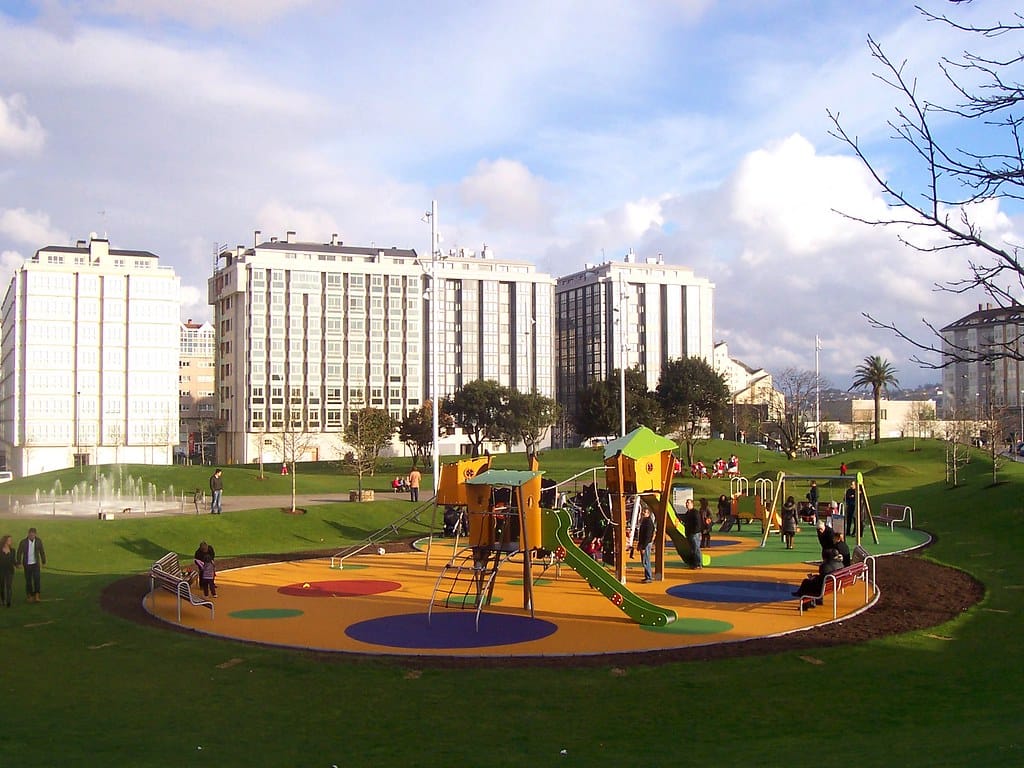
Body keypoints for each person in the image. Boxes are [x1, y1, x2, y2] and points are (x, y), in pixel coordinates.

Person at [16, 527, 46, 603]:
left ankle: (37, 595)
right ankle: (30, 595)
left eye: (33, 535)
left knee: (37, 579)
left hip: (35, 564)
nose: (32, 536)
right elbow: (19, 553)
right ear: (28, 534)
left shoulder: (38, 541)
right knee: (28, 581)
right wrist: (19, 563)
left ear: (35, 534)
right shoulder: (23, 542)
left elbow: (42, 551)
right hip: (27, 564)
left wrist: (43, 561)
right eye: (31, 534)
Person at [637, 506, 655, 583]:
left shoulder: (648, 523)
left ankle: (649, 577)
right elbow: (641, 534)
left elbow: (647, 536)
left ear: (648, 513)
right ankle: (647, 576)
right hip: (644, 543)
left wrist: (643, 546)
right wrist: (639, 544)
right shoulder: (644, 521)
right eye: (643, 512)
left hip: (646, 543)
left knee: (646, 560)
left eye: (644, 512)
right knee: (644, 560)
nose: (643, 513)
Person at [683, 498, 703, 569]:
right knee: (692, 549)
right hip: (689, 533)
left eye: (688, 503)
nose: (687, 504)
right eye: (686, 503)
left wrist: (695, 532)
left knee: (696, 549)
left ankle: (698, 564)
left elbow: (698, 523)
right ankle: (694, 563)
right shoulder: (687, 513)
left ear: (692, 504)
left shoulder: (695, 512)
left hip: (694, 534)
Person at [0, 534, 15, 607]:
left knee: (9, 586)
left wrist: (18, 564)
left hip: (9, 571)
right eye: (9, 540)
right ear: (5, 541)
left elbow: (13, 561)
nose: (11, 541)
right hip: (1, 571)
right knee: (2, 586)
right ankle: (2, 600)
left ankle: (8, 602)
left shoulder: (12, 550)